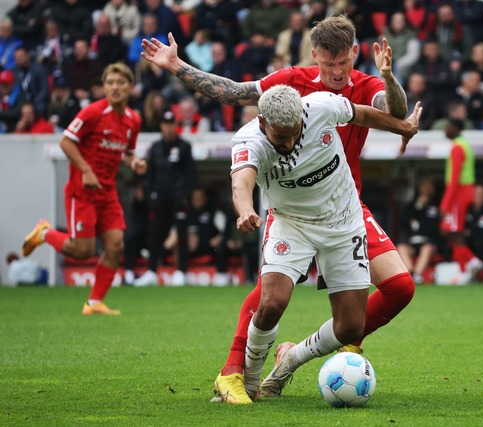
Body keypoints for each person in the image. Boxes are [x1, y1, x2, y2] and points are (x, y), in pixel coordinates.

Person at [141, 15, 414, 403]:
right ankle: (235, 371)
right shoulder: (288, 85)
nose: (337, 71)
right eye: (329, 63)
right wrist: (176, 65)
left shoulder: (356, 89)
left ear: (355, 53)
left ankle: (319, 348)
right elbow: (234, 94)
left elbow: (391, 110)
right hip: (291, 212)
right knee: (271, 296)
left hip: (344, 205)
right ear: (314, 55)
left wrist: (390, 81)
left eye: (345, 62)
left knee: (399, 287)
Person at [226, 85, 421, 404]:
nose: (288, 144)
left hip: (344, 222)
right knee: (272, 302)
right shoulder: (249, 141)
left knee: (350, 327)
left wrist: (404, 126)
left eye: (294, 134)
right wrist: (246, 210)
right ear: (263, 124)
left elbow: (363, 114)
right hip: (292, 223)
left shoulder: (321, 106)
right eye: (280, 138)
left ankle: (289, 360)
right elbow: (241, 181)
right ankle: (249, 382)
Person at [21, 63, 146, 315]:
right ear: (104, 86)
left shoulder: (133, 119)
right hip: (82, 190)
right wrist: (86, 170)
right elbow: (66, 141)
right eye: (110, 82)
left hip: (107, 192)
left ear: (130, 88)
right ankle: (45, 232)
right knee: (82, 251)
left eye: (120, 83)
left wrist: (135, 162)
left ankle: (94, 302)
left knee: (116, 246)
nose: (114, 87)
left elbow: (128, 152)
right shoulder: (92, 112)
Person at [134, 110, 197, 287]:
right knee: (156, 235)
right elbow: (150, 175)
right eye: (165, 124)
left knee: (182, 236)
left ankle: (181, 271)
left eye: (171, 124)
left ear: (175, 126)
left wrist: (186, 196)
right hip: (160, 198)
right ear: (161, 126)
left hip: (179, 199)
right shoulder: (155, 148)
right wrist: (150, 195)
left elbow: (190, 174)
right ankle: (152, 271)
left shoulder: (184, 146)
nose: (168, 128)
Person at [440, 118, 482, 282]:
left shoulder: (458, 147)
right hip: (463, 190)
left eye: (447, 127)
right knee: (452, 232)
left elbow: (454, 178)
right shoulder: (464, 144)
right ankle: (466, 266)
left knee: (454, 232)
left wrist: (445, 204)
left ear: (455, 128)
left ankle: (471, 263)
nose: (445, 130)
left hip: (459, 192)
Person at [396, 179, 441, 284]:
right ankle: (411, 274)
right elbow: (403, 223)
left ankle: (417, 275)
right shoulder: (412, 206)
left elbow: (435, 226)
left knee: (427, 248)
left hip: (429, 242)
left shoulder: (436, 205)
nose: (426, 190)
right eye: (424, 186)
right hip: (412, 242)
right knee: (401, 247)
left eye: (429, 187)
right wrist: (418, 206)